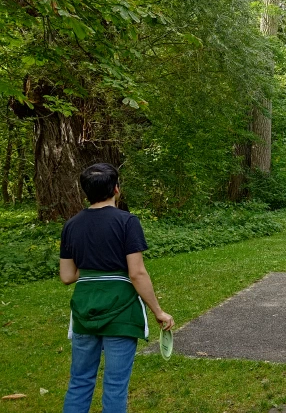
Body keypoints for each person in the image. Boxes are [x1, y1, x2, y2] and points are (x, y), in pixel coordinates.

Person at [60, 163, 174, 413]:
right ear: (116, 189)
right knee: (115, 384)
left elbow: (67, 276)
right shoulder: (127, 221)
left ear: (86, 192)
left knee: (79, 381)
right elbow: (136, 273)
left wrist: (93, 266)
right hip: (121, 309)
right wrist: (158, 311)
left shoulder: (71, 225)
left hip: (84, 308)